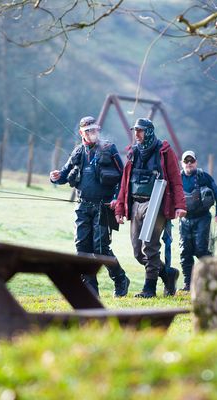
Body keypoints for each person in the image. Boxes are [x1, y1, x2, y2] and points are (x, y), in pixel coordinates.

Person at [49, 116, 130, 297]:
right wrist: (55, 176)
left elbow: (123, 177)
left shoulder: (109, 149)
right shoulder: (78, 152)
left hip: (103, 206)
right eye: (88, 131)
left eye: (95, 130)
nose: (92, 134)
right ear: (81, 133)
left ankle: (120, 279)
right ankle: (92, 292)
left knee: (100, 248)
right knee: (82, 249)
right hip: (83, 207)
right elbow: (63, 175)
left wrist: (117, 198)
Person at [114, 118, 186, 298]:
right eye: (135, 131)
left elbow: (176, 181)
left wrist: (180, 206)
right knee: (138, 252)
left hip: (157, 203)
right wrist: (120, 208)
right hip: (135, 204)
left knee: (150, 246)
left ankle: (149, 288)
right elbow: (125, 182)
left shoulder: (164, 151)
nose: (137, 134)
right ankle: (167, 274)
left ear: (149, 131)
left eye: (140, 130)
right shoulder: (134, 152)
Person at [178, 150, 217, 292]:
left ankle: (209, 280)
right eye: (186, 161)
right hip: (184, 219)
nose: (189, 164)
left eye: (192, 161)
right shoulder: (177, 178)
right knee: (185, 252)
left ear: (196, 162)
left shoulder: (205, 177)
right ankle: (188, 284)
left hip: (202, 218)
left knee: (201, 250)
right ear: (182, 163)